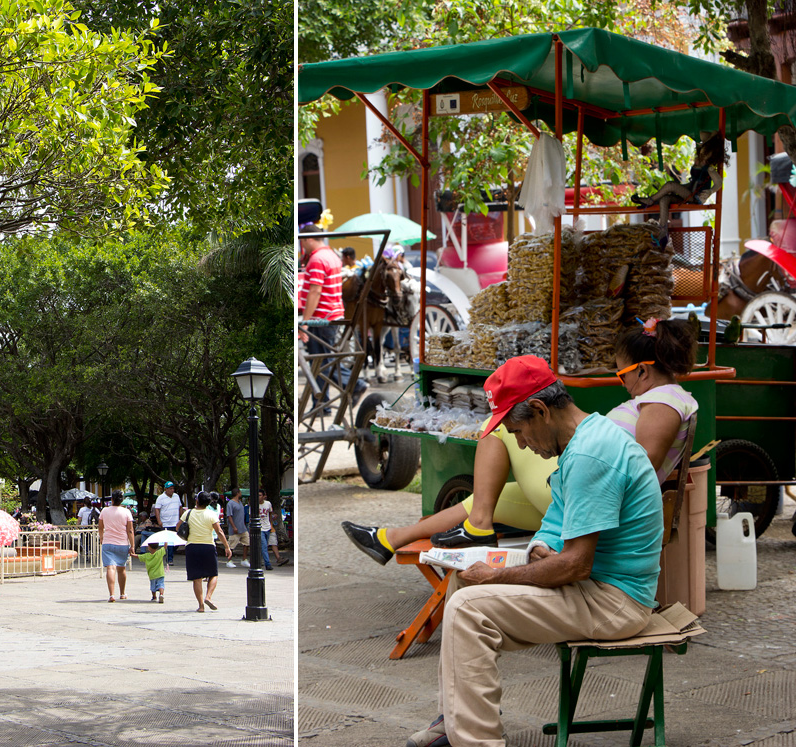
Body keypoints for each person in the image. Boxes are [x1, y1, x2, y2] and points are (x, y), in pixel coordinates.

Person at [406, 355, 663, 747]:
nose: (521, 443)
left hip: (615, 601)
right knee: (461, 586)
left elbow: (577, 565)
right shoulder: (584, 438)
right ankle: (455, 720)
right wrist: (539, 548)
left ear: (541, 410)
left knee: (468, 609)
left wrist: (500, 574)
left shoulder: (589, 455)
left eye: (519, 431)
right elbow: (556, 527)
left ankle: (477, 741)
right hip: (598, 586)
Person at [343, 317, 698, 563]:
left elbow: (640, 468)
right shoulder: (662, 399)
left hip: (592, 492)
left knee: (499, 426)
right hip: (583, 486)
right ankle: (391, 539)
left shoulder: (663, 402)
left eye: (621, 375)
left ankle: (477, 527)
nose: (622, 384)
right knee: (484, 500)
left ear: (642, 370)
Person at [298, 225, 367, 410]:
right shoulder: (331, 256)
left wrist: (304, 322)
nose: (302, 246)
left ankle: (353, 384)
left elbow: (315, 291)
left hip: (321, 317)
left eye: (302, 241)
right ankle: (321, 404)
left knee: (323, 360)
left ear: (308, 239)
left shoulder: (317, 259)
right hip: (332, 314)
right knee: (320, 359)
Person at [631, 133, 728, 237]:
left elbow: (719, 182)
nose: (703, 156)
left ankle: (650, 200)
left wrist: (710, 191)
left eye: (706, 154)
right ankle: (663, 232)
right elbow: (691, 184)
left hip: (695, 197)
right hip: (690, 192)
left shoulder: (709, 168)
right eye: (703, 153)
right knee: (664, 200)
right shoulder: (699, 162)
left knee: (670, 185)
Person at [178, 491, 231, 612]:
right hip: (208, 546)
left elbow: (178, 527)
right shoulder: (211, 514)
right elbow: (219, 532)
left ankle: (201, 606)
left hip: (192, 547)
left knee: (197, 578)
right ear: (208, 503)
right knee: (213, 574)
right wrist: (227, 547)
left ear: (197, 501)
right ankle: (208, 597)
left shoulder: (188, 513)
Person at [98, 494, 135, 603]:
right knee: (121, 568)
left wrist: (101, 538)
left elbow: (101, 527)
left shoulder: (104, 511)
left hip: (108, 543)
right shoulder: (127, 512)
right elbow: (130, 530)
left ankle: (111, 594)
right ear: (122, 500)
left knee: (110, 568)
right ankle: (122, 593)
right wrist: (132, 545)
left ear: (112, 499)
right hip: (122, 543)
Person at [154, 482, 183, 566]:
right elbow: (157, 509)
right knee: (169, 542)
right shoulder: (161, 498)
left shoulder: (176, 496)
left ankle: (167, 554)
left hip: (175, 522)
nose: (172, 490)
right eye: (170, 488)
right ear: (165, 489)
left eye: (173, 488)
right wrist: (159, 521)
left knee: (176, 541)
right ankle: (169, 559)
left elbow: (180, 507)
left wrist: (181, 519)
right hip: (166, 523)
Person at [224, 489, 250, 568]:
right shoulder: (230, 503)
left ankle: (244, 559)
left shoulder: (240, 502)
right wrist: (234, 526)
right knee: (231, 545)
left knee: (247, 542)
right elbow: (229, 516)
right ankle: (229, 560)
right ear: (238, 493)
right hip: (235, 529)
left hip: (242, 527)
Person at [141, 539, 167, 603]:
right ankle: (161, 594)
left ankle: (154, 597)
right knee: (161, 585)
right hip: (160, 573)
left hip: (152, 575)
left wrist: (131, 554)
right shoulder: (160, 552)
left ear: (149, 547)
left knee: (153, 587)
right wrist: (166, 540)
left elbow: (138, 557)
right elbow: (165, 547)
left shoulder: (146, 556)